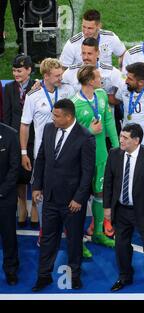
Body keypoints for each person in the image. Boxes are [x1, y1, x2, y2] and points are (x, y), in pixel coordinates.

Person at [31, 99, 95, 292]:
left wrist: (78, 198)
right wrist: (36, 186)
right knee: (48, 238)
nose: (53, 118)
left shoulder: (85, 137)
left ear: (68, 117)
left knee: (74, 240)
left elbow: (87, 172)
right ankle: (43, 276)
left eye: (57, 115)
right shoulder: (49, 129)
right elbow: (41, 158)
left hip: (72, 202)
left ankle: (75, 276)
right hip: (49, 197)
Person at [103, 123, 144, 293]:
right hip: (121, 209)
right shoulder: (114, 154)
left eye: (125, 137)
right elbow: (109, 182)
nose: (120, 140)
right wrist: (107, 206)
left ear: (136, 140)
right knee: (121, 246)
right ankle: (124, 276)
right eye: (120, 136)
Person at [20, 58, 75, 244]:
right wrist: (23, 153)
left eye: (61, 74)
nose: (61, 77)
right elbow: (25, 125)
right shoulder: (33, 96)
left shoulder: (67, 89)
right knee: (41, 193)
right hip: (43, 155)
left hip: (67, 152)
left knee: (67, 189)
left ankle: (68, 228)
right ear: (46, 76)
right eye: (57, 75)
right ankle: (45, 229)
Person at [71, 64, 119, 254]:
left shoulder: (100, 96)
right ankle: (77, 241)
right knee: (79, 198)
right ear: (90, 81)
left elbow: (109, 121)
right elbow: (70, 136)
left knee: (100, 194)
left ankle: (98, 232)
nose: (102, 79)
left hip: (101, 156)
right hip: (80, 160)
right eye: (98, 77)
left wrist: (116, 148)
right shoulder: (74, 104)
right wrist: (90, 132)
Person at [2, 54, 39, 228]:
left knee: (33, 171)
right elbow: (7, 115)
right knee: (18, 174)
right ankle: (22, 204)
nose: (16, 73)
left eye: (19, 70)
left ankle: (35, 207)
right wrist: (9, 139)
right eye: (14, 70)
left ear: (29, 70)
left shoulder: (37, 86)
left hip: (34, 136)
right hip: (15, 138)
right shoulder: (9, 88)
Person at [60, 9, 126, 68]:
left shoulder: (110, 38)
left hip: (105, 79)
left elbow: (123, 54)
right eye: (84, 27)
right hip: (81, 80)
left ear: (99, 26)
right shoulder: (72, 43)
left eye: (90, 28)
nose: (85, 32)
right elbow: (63, 68)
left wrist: (121, 72)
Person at [0, 122, 20, 286]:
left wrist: (1, 191)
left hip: (5, 196)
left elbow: (15, 168)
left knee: (8, 235)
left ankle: (11, 269)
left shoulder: (11, 135)